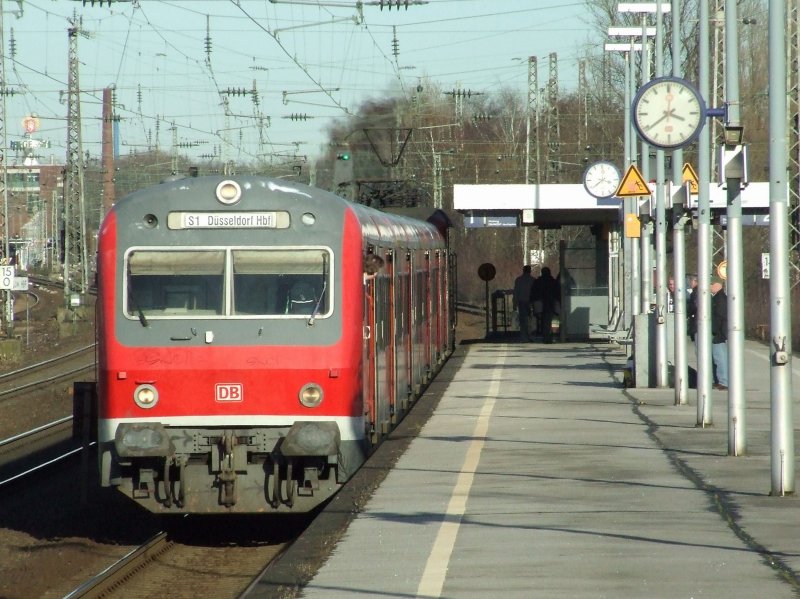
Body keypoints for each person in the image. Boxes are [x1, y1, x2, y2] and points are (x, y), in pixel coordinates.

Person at [710, 275, 728, 390]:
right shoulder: (719, 297)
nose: (709, 287)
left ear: (717, 285)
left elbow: (720, 316)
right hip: (720, 332)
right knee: (718, 357)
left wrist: (715, 331)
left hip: (719, 333)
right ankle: (720, 380)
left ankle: (724, 381)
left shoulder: (719, 299)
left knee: (719, 357)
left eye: (711, 284)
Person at [513, 265, 535, 342]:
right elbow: (535, 293)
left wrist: (514, 304)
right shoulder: (533, 280)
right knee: (530, 320)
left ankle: (524, 337)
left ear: (523, 270)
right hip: (530, 302)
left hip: (521, 302)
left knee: (522, 320)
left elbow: (516, 293)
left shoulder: (518, 280)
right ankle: (529, 336)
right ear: (530, 271)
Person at [538, 266, 560, 343]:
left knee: (544, 321)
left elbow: (534, 292)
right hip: (551, 304)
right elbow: (557, 292)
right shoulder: (553, 281)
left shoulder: (539, 281)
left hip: (541, 304)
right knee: (552, 320)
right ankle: (551, 335)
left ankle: (546, 336)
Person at [686, 274, 698, 342]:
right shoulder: (695, 292)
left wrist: (688, 313)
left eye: (691, 281)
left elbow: (694, 306)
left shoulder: (695, 292)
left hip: (696, 324)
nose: (690, 283)